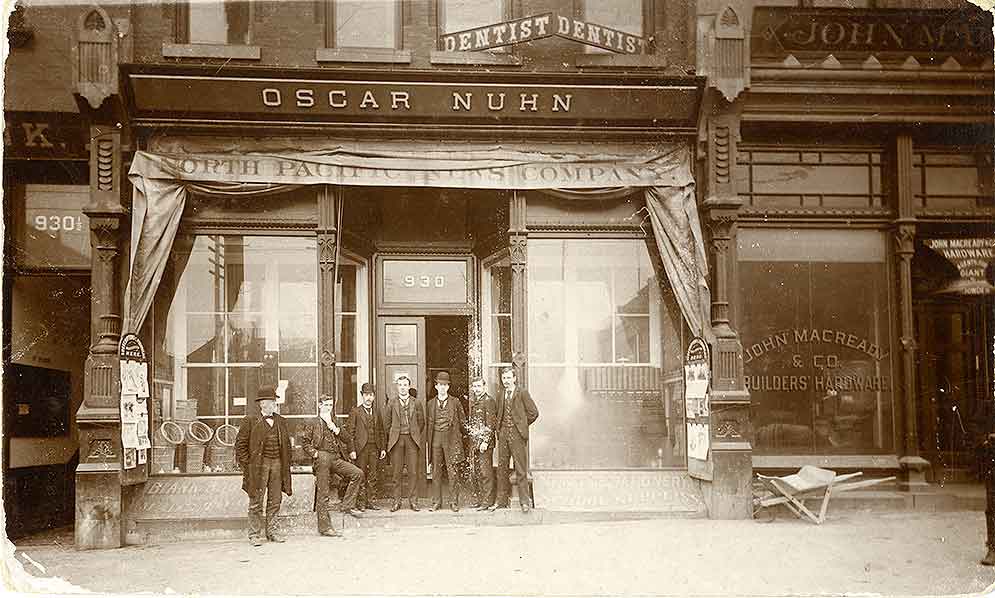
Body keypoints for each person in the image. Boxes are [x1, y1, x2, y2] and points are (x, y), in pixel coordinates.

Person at [235, 385, 293, 546]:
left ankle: (272, 532)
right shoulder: (250, 421)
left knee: (275, 500)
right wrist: (249, 465)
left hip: (277, 465)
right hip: (258, 466)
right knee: (256, 501)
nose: (275, 404)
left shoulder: (281, 421)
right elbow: (240, 445)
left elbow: (287, 445)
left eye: (274, 401)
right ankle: (254, 535)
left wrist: (286, 463)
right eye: (272, 401)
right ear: (263, 404)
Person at [301, 394, 365, 538]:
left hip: (336, 457)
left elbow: (348, 438)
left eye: (330, 405)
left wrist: (335, 429)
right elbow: (305, 443)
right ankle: (325, 528)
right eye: (325, 405)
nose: (328, 408)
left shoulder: (334, 420)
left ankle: (347, 505)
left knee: (357, 473)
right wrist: (315, 454)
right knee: (323, 493)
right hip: (322, 458)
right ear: (319, 405)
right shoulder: (313, 422)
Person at [491, 367, 539, 513]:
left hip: (517, 435)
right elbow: (499, 413)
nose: (505, 381)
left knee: (520, 468)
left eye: (508, 378)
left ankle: (524, 502)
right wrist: (500, 430)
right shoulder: (501, 394)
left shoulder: (522, 393)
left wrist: (521, 425)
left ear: (514, 378)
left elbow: (534, 413)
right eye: (503, 378)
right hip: (504, 434)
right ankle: (501, 501)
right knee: (502, 468)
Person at [383, 374, 426, 512]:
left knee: (413, 471)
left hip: (411, 440)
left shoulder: (416, 402)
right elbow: (386, 423)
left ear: (409, 387)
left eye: (405, 385)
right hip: (397, 440)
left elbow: (421, 422)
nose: (402, 388)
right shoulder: (391, 402)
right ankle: (397, 501)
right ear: (397, 387)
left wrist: (413, 432)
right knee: (397, 472)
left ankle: (413, 501)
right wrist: (395, 433)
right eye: (400, 385)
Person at [426, 371, 466, 511]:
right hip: (436, 439)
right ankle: (436, 502)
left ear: (448, 387)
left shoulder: (455, 402)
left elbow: (463, 422)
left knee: (452, 471)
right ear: (436, 387)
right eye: (439, 385)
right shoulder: (430, 404)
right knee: (436, 472)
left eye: (445, 385)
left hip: (451, 439)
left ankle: (453, 502)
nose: (442, 387)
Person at [348, 383, 386, 511]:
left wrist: (382, 448)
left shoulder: (376, 412)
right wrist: (352, 450)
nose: (368, 398)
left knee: (373, 475)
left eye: (371, 395)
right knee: (361, 474)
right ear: (362, 396)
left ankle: (371, 501)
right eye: (366, 395)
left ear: (374, 396)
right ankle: (361, 503)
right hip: (361, 449)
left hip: (374, 448)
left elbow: (381, 431)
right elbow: (350, 433)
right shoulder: (355, 412)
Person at [465, 376, 497, 510]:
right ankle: (480, 500)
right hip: (475, 443)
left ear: (484, 387)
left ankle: (487, 501)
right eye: (475, 386)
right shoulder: (475, 401)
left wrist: (485, 441)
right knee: (477, 472)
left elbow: (490, 423)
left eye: (479, 386)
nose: (477, 389)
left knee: (485, 472)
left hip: (484, 444)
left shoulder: (488, 401)